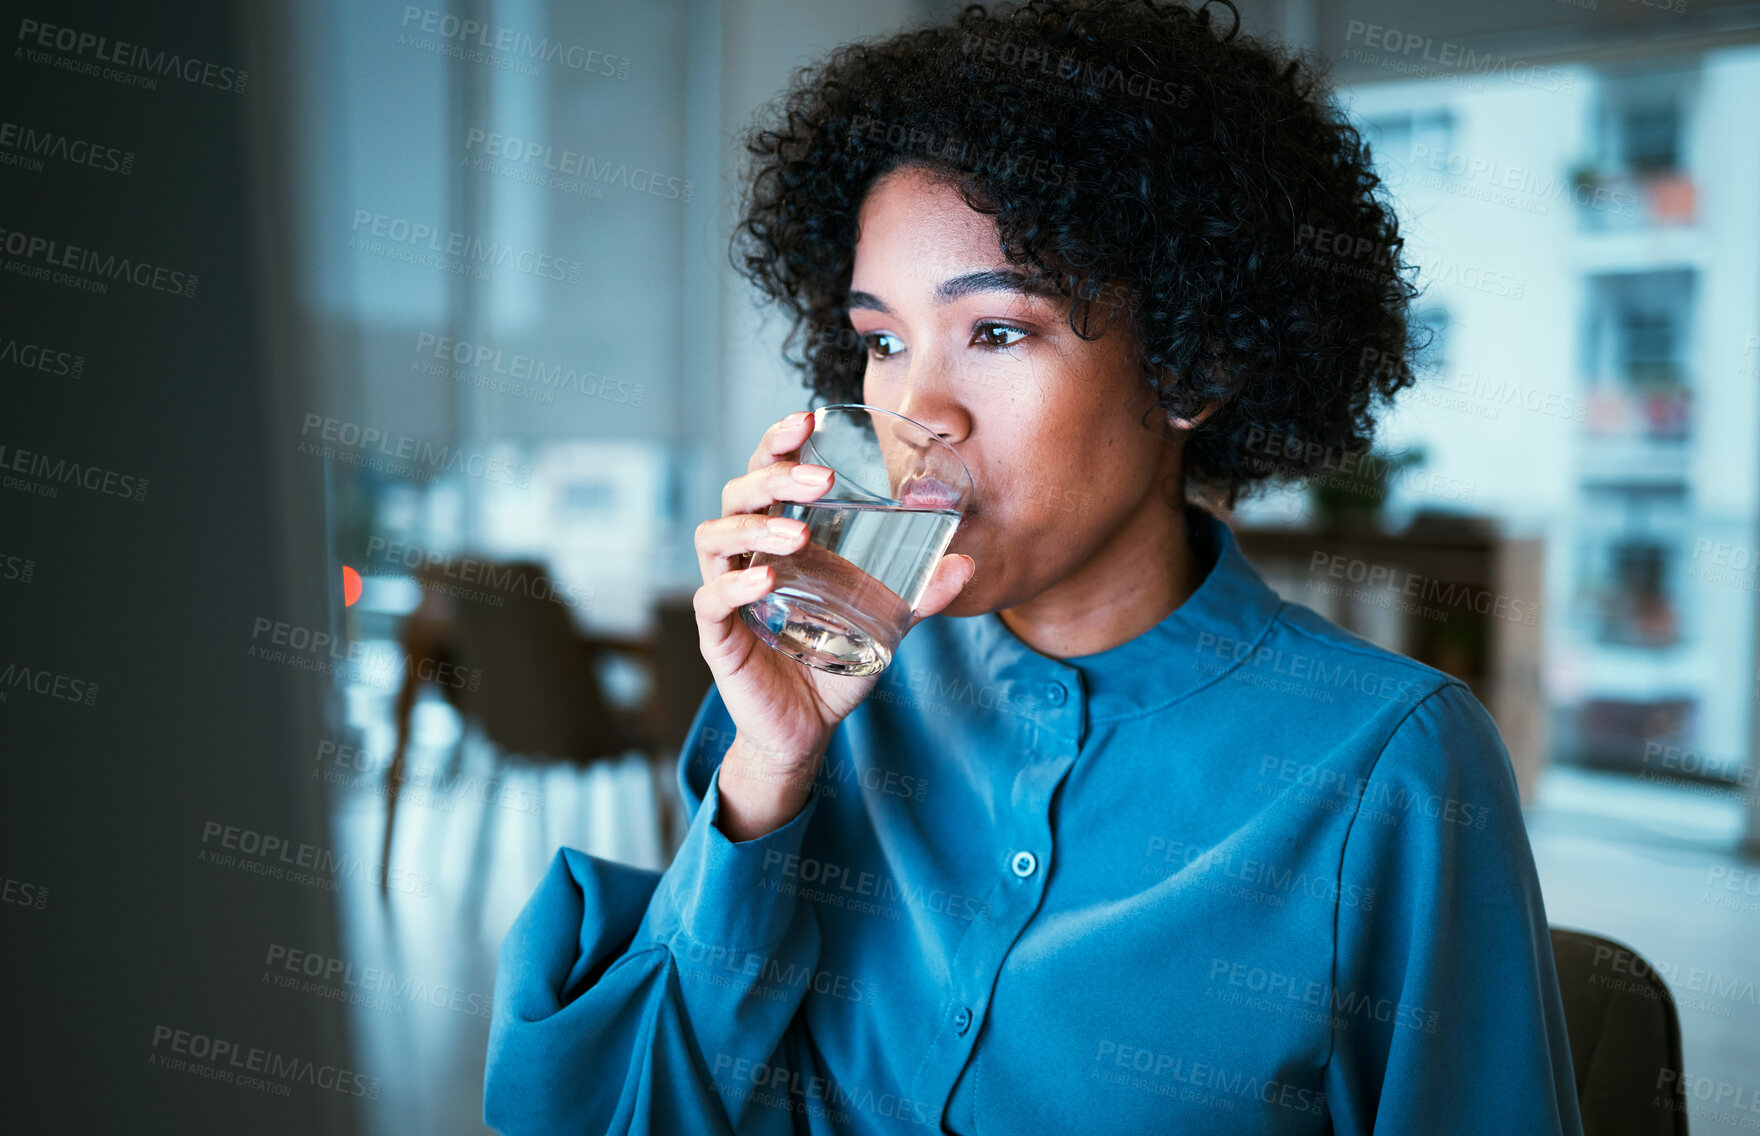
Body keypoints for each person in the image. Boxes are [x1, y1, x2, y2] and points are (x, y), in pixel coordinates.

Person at [484, 1, 1584, 1132]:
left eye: (997, 331)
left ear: (1189, 364)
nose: (914, 411)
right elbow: (614, 1113)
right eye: (881, 339)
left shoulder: (1383, 764)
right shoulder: (828, 692)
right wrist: (768, 770)